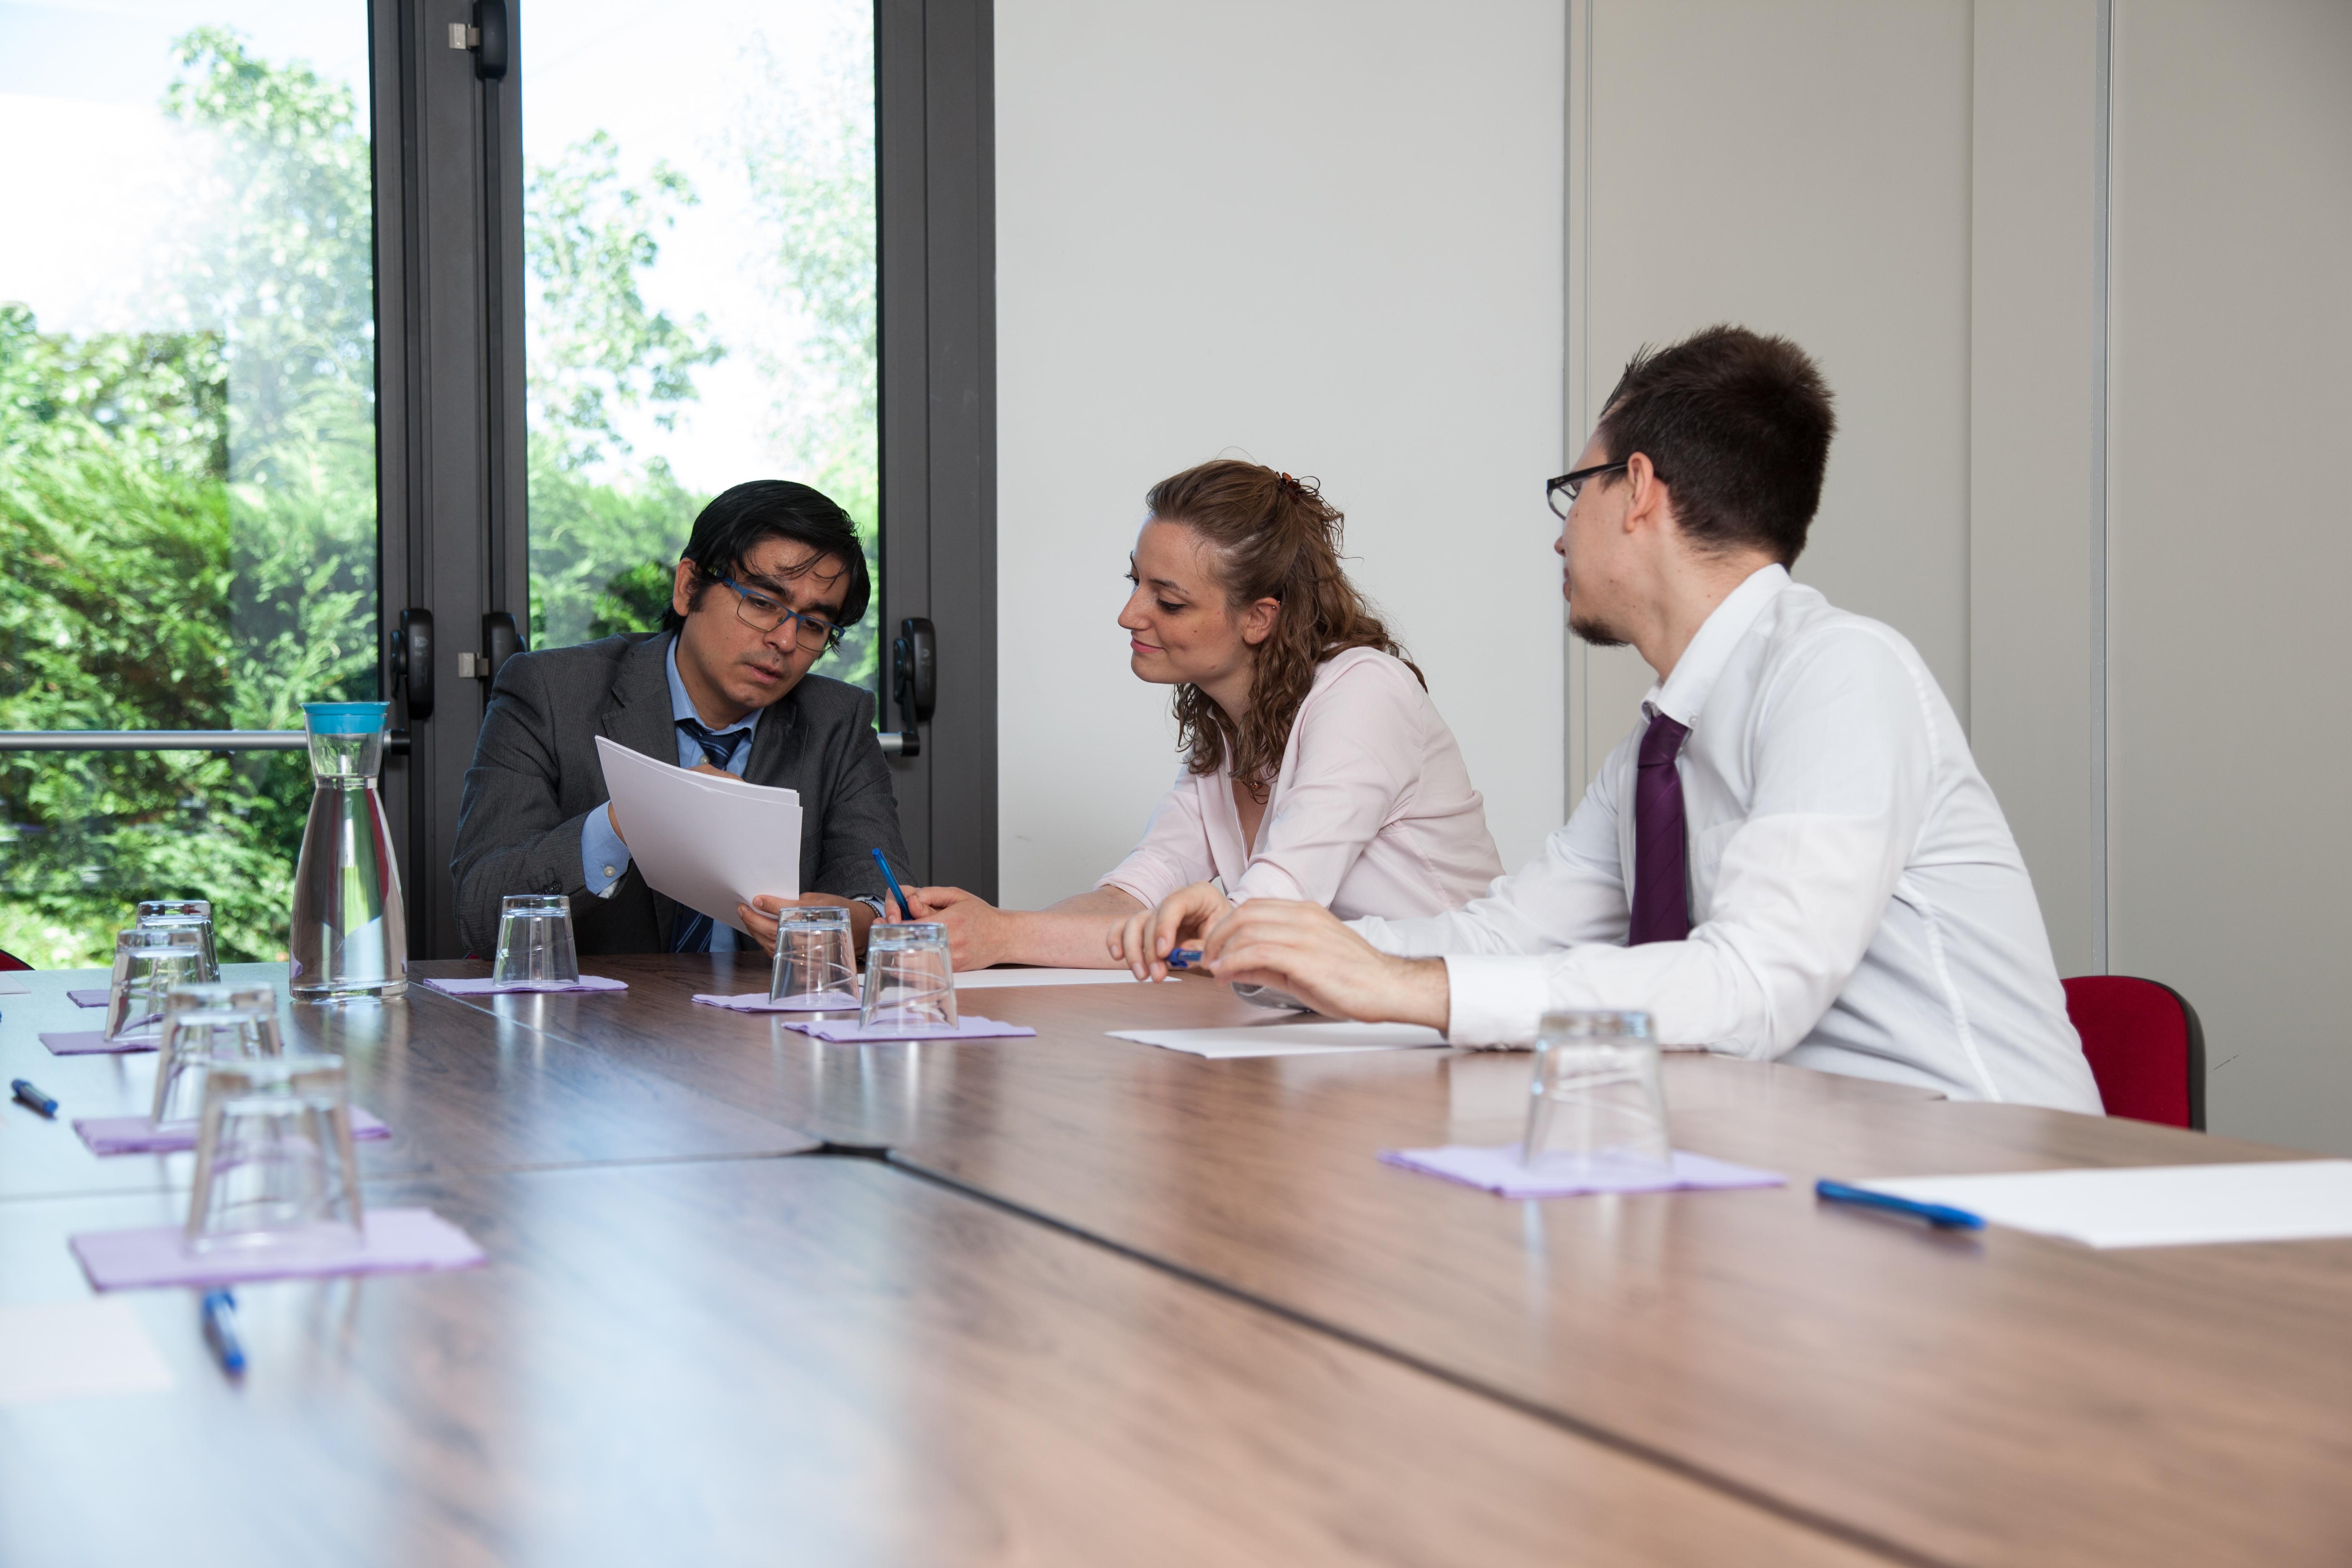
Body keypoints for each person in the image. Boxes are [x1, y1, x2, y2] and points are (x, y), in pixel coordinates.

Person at [1148, 327, 2102, 1111]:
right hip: (1814, 1171)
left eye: (1576, 492)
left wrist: (1405, 986)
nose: (1560, 533)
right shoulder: (1658, 749)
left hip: (1994, 1183)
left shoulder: (1843, 675)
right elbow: (1511, 933)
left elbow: (1750, 987)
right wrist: (1275, 945)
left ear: (1638, 490)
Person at [906, 458, 1504, 968]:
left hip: (1452, 1025)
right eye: (1135, 581)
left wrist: (1005, 935)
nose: (1130, 613)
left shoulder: (1365, 695)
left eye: (1167, 600)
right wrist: (982, 933)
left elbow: (1264, 918)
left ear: (1259, 618)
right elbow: (1135, 896)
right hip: (1342, 1027)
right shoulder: (1229, 724)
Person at [450, 480, 908, 959]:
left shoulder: (839, 720)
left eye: (814, 624)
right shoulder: (549, 691)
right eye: (763, 604)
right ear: (689, 587)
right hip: (592, 1024)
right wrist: (632, 816)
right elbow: (481, 916)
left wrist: (852, 926)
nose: (787, 641)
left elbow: (880, 892)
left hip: (762, 1022)